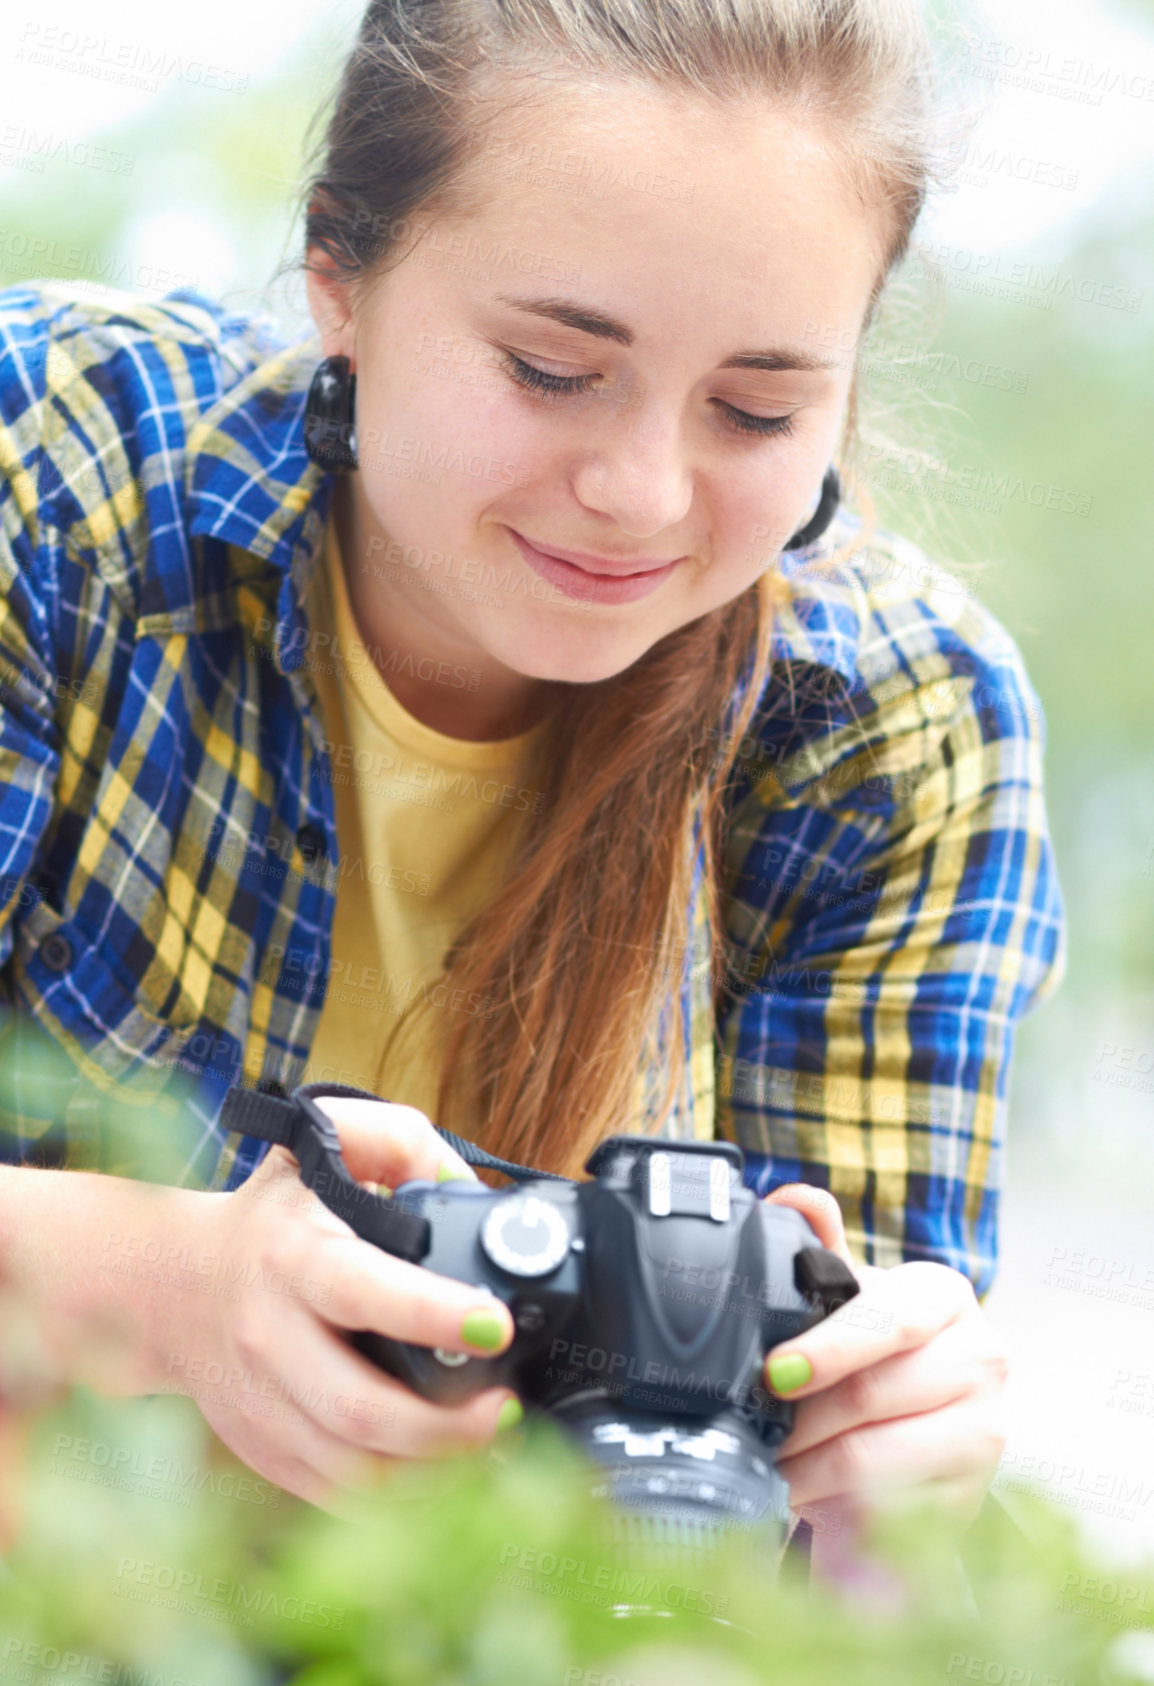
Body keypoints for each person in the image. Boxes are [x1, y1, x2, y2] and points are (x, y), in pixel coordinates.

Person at [0, 0, 1063, 1557]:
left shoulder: (897, 729)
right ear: (338, 275)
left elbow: (811, 1565)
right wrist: (167, 1292)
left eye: (757, 410)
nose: (637, 494)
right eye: (552, 367)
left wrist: (875, 1474)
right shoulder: (53, 474)